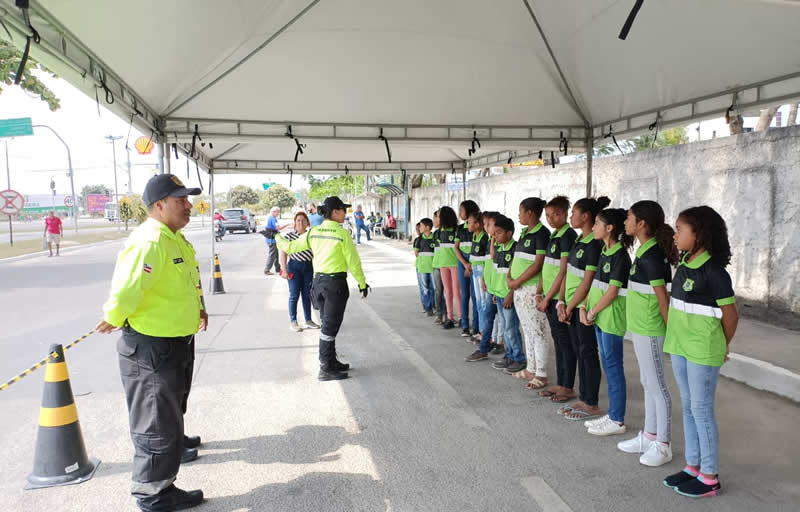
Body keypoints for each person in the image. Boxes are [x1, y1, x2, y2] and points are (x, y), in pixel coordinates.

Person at [96, 174, 206, 512]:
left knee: (169, 413)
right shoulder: (150, 241)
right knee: (155, 421)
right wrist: (114, 316)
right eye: (180, 200)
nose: (188, 205)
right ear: (158, 206)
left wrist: (199, 308)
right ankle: (153, 494)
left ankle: (166, 477)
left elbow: (187, 281)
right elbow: (128, 288)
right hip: (151, 347)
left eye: (188, 199)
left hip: (174, 342)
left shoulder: (174, 238)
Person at [663, 206, 738, 498]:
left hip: (702, 351)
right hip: (680, 346)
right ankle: (692, 467)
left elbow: (731, 317)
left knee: (702, 410)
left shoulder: (715, 272)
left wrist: (720, 346)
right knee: (690, 407)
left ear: (699, 234)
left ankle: (710, 476)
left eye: (680, 229)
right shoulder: (684, 265)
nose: (675, 235)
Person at [276, 196, 370, 381]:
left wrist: (276, 237)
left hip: (318, 284)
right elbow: (354, 262)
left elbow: (291, 247)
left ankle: (331, 361)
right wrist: (362, 283)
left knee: (328, 323)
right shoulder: (342, 234)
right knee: (329, 326)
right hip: (335, 286)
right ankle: (325, 367)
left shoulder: (314, 232)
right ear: (335, 212)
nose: (345, 212)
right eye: (343, 209)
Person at [617, 200, 677, 467]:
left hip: (652, 329)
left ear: (642, 223)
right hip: (641, 328)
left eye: (629, 217)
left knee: (657, 386)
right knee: (646, 382)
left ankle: (663, 445)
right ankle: (649, 435)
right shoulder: (644, 251)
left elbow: (663, 301)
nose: (625, 222)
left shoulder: (652, 256)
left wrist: (673, 337)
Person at [581, 208, 633, 436]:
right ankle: (613, 414)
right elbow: (596, 285)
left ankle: (617, 419)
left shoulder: (621, 256)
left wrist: (591, 312)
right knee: (608, 365)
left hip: (610, 318)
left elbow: (612, 292)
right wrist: (585, 307)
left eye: (597, 224)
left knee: (613, 368)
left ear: (609, 228)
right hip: (599, 316)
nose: (593, 228)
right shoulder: (605, 251)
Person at [557, 196, 609, 421]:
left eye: (573, 213)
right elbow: (567, 274)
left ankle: (591, 402)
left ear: (585, 216)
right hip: (569, 306)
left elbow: (587, 282)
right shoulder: (579, 241)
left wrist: (570, 306)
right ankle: (584, 396)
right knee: (579, 351)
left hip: (581, 308)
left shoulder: (593, 245)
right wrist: (561, 302)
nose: (571, 217)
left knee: (587, 353)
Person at [536, 196, 578, 402]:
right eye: (548, 216)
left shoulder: (568, 236)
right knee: (559, 343)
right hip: (548, 296)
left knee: (565, 343)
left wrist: (551, 299)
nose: (551, 219)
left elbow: (563, 271)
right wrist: (539, 291)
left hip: (557, 299)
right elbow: (547, 267)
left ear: (564, 214)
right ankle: (561, 383)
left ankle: (568, 386)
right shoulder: (555, 235)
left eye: (556, 215)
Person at [506, 198, 550, 387]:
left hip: (531, 288)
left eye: (521, 211)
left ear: (530, 213)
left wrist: (518, 281)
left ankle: (541, 373)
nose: (519, 215)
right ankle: (531, 367)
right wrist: (510, 278)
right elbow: (517, 259)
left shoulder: (542, 233)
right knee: (527, 329)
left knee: (538, 331)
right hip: (519, 289)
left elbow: (538, 263)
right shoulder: (525, 232)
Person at [279, 211, 321, 332]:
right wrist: (284, 270)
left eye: (303, 220)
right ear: (294, 223)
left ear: (307, 223)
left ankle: (308, 320)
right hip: (294, 268)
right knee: (294, 295)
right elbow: (283, 253)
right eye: (298, 220)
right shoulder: (289, 236)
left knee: (307, 295)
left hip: (308, 268)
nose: (300, 223)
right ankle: (293, 321)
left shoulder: (311, 236)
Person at [455, 200, 481, 337]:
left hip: (474, 261)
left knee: (476, 295)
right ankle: (465, 325)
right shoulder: (460, 228)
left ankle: (476, 327)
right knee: (465, 294)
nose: (459, 213)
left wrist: (470, 264)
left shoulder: (476, 228)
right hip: (462, 262)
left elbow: (477, 250)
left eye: (461, 210)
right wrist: (465, 264)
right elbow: (456, 248)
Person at [436, 206, 461, 330]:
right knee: (448, 292)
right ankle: (450, 318)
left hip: (455, 264)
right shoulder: (439, 231)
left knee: (457, 292)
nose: (438, 218)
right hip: (443, 264)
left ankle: (461, 318)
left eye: (439, 216)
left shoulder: (456, 230)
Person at [466, 211, 490, 342]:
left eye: (470, 222)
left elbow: (486, 260)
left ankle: (486, 333)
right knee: (479, 303)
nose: (467, 224)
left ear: (478, 224)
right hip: (475, 270)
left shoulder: (484, 238)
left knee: (484, 303)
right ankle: (481, 331)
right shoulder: (474, 236)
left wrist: (484, 277)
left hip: (481, 272)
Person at [414, 219, 435, 315]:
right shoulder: (418, 240)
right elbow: (416, 253)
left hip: (433, 267)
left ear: (427, 227)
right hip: (422, 267)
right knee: (425, 288)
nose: (419, 228)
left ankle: (435, 305)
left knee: (434, 288)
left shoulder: (435, 238)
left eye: (421, 226)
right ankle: (428, 307)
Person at [263, 206, 291, 275]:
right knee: (272, 254)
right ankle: (267, 269)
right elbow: (278, 228)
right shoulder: (273, 219)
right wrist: (287, 224)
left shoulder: (270, 218)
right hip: (272, 239)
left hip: (270, 238)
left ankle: (277, 268)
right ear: (274, 212)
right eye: (277, 212)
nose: (278, 214)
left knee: (276, 254)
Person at [431, 209, 445, 325]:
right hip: (436, 265)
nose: (433, 221)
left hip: (447, 265)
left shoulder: (450, 232)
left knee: (448, 292)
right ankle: (439, 314)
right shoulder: (435, 234)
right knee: (438, 291)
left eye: (435, 218)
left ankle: (448, 315)